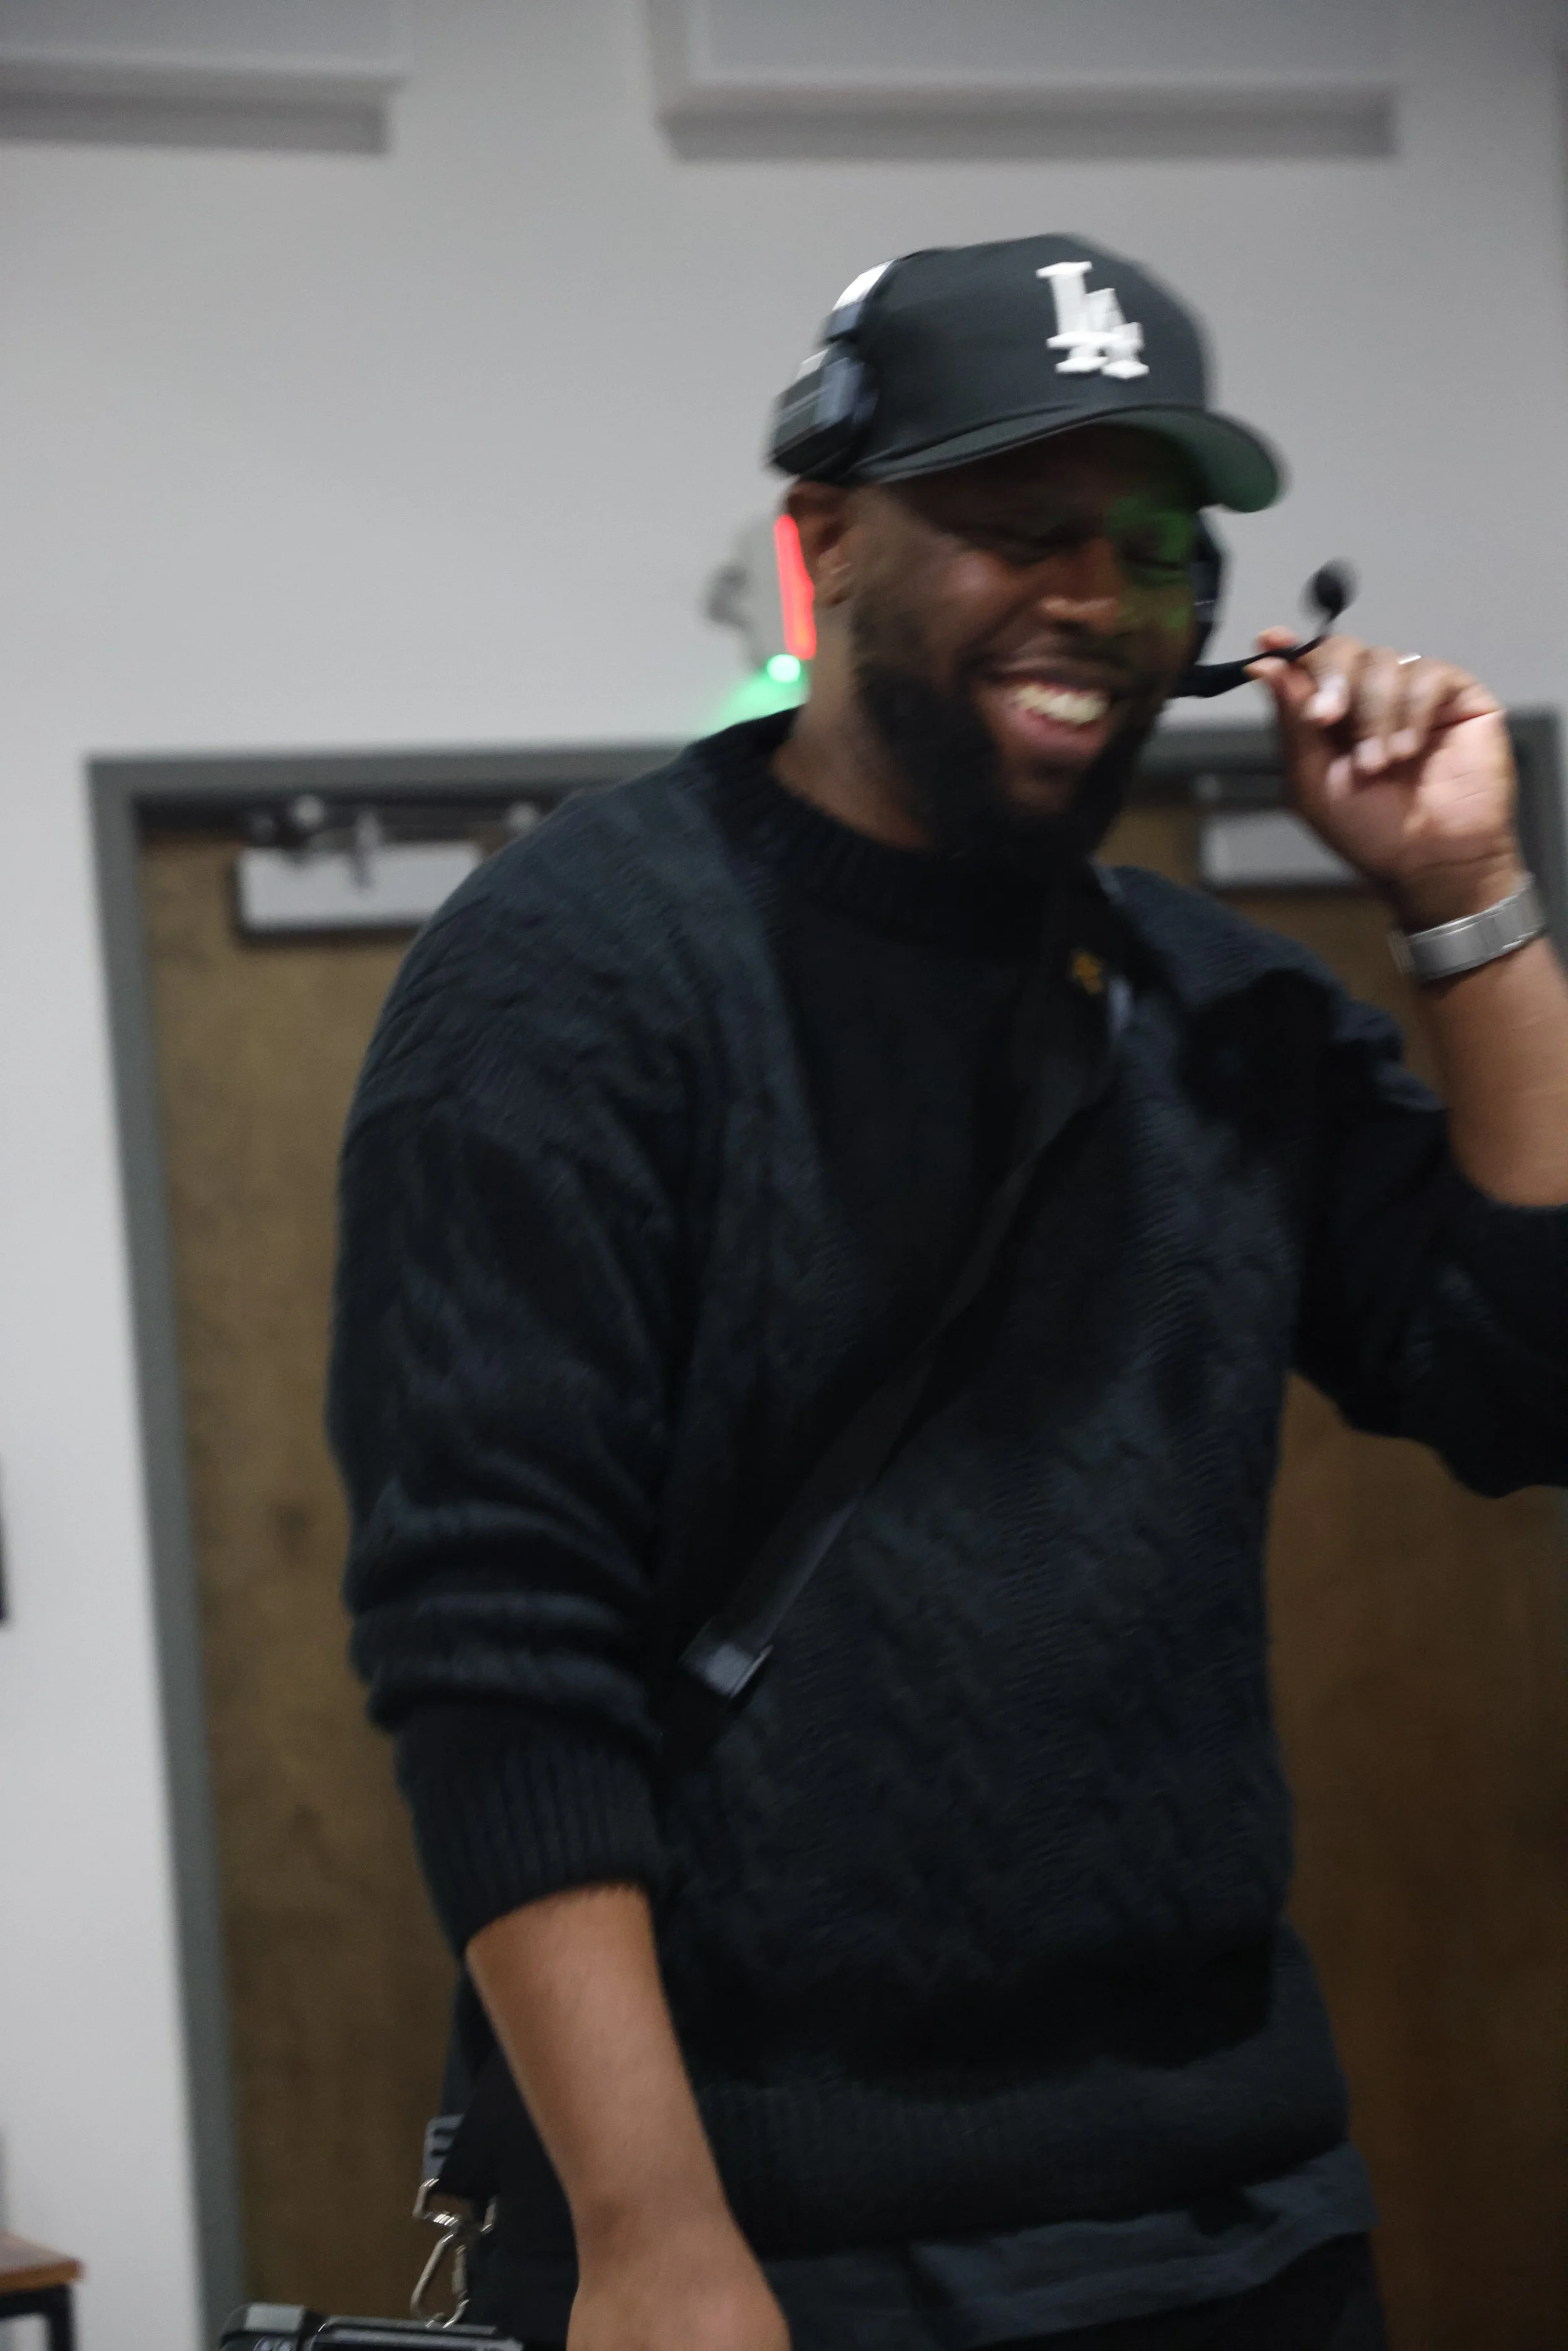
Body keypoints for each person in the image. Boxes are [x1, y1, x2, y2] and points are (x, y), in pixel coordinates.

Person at [329, 235, 1568, 2351]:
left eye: (1150, 544)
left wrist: (1465, 903)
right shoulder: (570, 978)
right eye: (1012, 529)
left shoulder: (1218, 1006)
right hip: (769, 2243)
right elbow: (495, 1649)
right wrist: (648, 2233)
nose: (1091, 594)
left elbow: (1521, 1383)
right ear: (825, 537)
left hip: (1237, 2215)